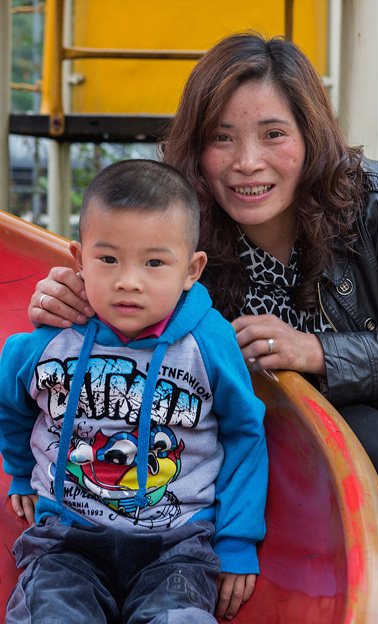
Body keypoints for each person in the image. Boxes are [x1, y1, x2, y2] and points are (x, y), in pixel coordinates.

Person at [26, 32, 378, 624]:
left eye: (274, 134)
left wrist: (319, 352)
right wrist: (68, 294)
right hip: (230, 425)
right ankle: (294, 582)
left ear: (309, 136)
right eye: (221, 138)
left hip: (359, 386)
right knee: (367, 438)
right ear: (196, 148)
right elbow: (113, 276)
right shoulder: (175, 217)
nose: (248, 162)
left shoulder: (373, 195)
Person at [0, 159, 268, 623]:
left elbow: (245, 434)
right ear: (77, 258)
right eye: (108, 259)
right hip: (67, 538)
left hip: (177, 543)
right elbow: (11, 401)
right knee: (50, 613)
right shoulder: (49, 341)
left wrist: (237, 540)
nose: (129, 280)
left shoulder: (207, 343)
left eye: (154, 262)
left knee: (179, 619)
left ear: (191, 269)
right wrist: (20, 472)